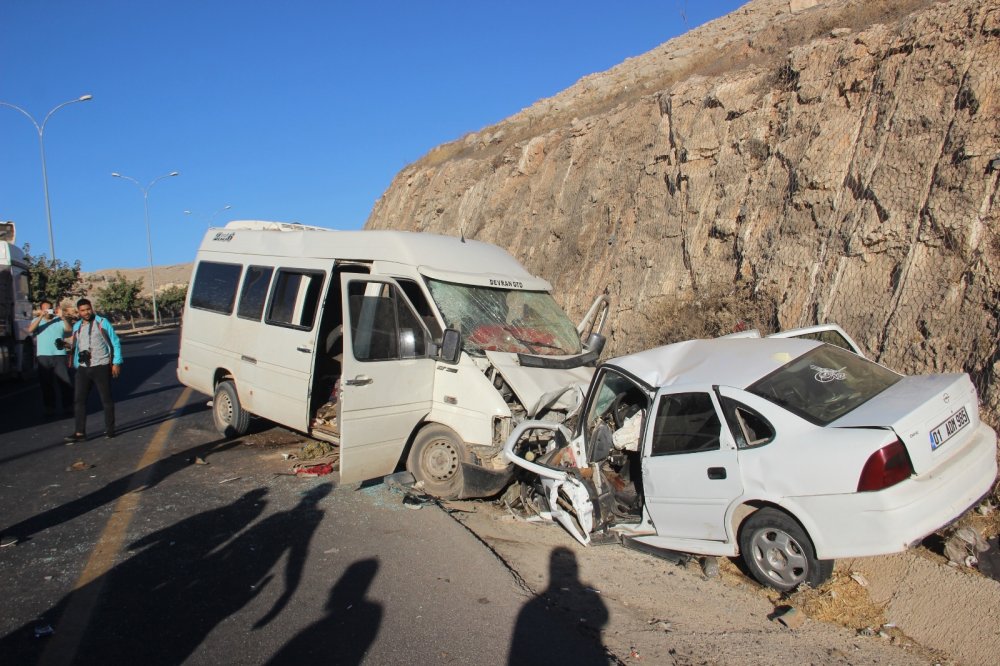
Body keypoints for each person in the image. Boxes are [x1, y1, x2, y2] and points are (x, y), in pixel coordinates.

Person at [63, 298, 123, 442]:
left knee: (106, 400)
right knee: (79, 400)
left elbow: (115, 342)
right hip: (83, 368)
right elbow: (75, 343)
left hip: (101, 366)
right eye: (83, 310)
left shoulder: (102, 322)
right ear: (79, 312)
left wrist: (116, 362)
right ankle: (79, 433)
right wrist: (66, 345)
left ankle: (110, 430)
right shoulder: (77, 326)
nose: (86, 312)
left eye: (88, 309)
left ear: (91, 308)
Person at [27, 300, 73, 415]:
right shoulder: (37, 321)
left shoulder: (59, 321)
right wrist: (41, 316)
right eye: (46, 309)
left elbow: (69, 330)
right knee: (46, 383)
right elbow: (30, 330)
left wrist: (62, 317)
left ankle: (68, 406)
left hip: (59, 355)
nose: (48, 311)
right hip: (43, 356)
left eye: (50, 308)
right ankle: (49, 407)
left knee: (65, 382)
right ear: (42, 309)